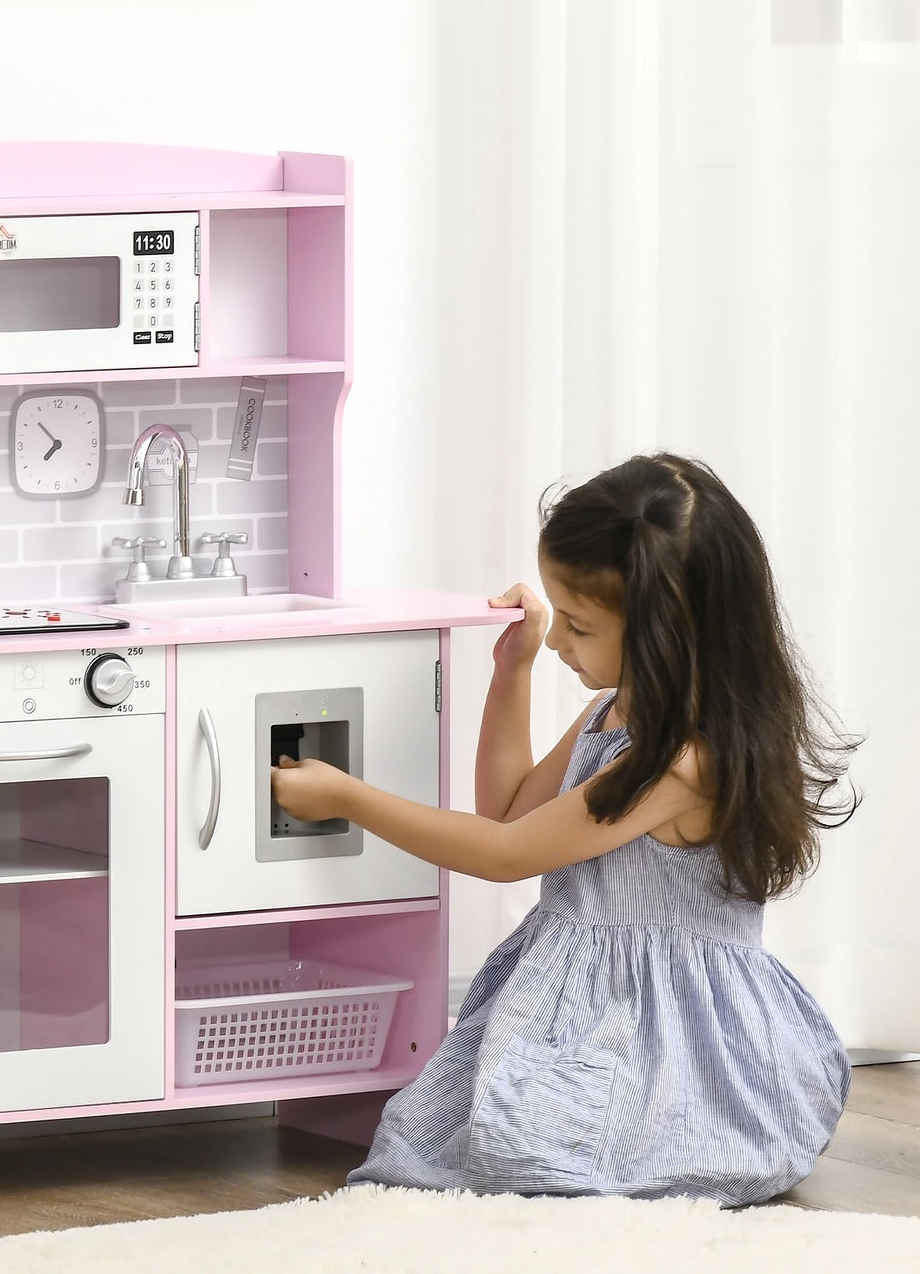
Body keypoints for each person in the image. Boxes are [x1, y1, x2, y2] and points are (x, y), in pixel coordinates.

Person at [271, 451, 862, 1206]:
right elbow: (511, 808)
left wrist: (349, 796)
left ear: (664, 631)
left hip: (665, 1027)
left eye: (577, 626)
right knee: (447, 1133)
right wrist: (511, 669)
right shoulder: (612, 714)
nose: (559, 642)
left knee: (529, 1157)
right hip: (583, 1002)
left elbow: (505, 854)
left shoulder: (681, 763)